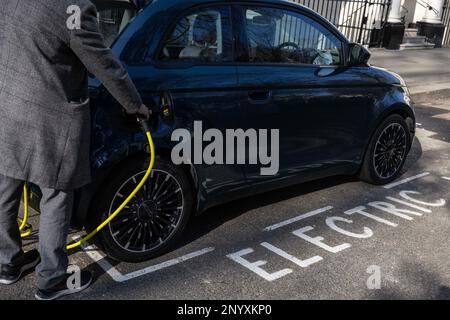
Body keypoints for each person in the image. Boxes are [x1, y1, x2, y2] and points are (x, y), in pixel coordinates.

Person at [0, 0, 150, 300]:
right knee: (57, 194)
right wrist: (135, 106)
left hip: (7, 108)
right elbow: (105, 65)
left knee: (6, 187)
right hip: (50, 120)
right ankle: (52, 280)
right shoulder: (74, 9)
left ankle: (6, 264)